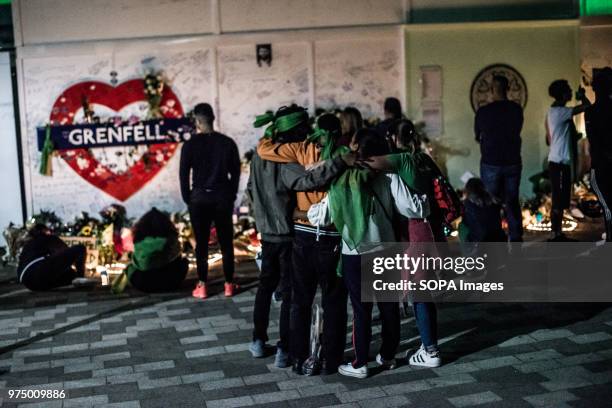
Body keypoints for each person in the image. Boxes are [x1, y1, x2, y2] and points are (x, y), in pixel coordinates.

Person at [248, 106, 354, 368]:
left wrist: (261, 217)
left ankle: (272, 346)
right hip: (298, 232)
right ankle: (307, 354)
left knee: (277, 291)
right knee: (310, 297)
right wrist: (341, 162)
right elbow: (308, 181)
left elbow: (251, 188)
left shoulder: (265, 153)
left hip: (277, 231)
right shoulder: (291, 157)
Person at [355, 120, 444, 368]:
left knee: (420, 293)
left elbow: (365, 162)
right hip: (430, 232)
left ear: (392, 137)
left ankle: (431, 351)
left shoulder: (400, 160)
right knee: (423, 290)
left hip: (414, 233)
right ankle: (429, 346)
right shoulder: (424, 159)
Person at [180, 103, 241, 299]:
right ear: (213, 118)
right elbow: (236, 173)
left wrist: (187, 198)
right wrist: (231, 194)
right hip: (222, 197)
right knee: (226, 242)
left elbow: (183, 175)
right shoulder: (227, 143)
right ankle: (229, 284)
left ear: (197, 122)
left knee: (202, 244)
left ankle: (202, 285)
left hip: (199, 199)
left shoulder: (189, 145)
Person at [474, 75, 524, 242]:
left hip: (490, 162)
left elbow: (477, 136)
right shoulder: (516, 110)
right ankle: (516, 238)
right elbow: (517, 130)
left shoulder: (483, 112)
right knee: (512, 201)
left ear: (491, 90)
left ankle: (494, 238)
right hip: (513, 161)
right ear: (508, 88)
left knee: (491, 202)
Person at [546, 80, 591, 241]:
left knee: (561, 199)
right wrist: (583, 96)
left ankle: (557, 234)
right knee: (558, 201)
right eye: (569, 90)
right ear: (563, 93)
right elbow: (587, 106)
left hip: (558, 161)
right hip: (559, 163)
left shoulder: (552, 111)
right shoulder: (561, 112)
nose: (571, 92)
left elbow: (548, 137)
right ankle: (555, 235)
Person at [114, 208, 188, 293]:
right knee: (184, 261)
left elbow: (139, 265)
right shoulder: (172, 240)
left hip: (144, 285)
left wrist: (130, 257)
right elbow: (177, 258)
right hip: (172, 282)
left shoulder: (139, 242)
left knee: (130, 267)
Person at [17, 224, 88, 291]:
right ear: (44, 231)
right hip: (38, 270)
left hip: (28, 283)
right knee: (80, 249)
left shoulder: (28, 245)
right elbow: (64, 251)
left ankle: (75, 278)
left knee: (70, 274)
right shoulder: (47, 238)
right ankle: (80, 279)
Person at [585, 68, 612, 242]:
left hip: (601, 165)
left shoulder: (592, 112)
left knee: (608, 207)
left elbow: (593, 140)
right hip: (603, 163)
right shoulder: (596, 111)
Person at [459, 178, 507, 243]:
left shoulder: (468, 204)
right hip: (499, 238)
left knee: (461, 226)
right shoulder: (493, 200)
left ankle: (468, 251)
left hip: (479, 241)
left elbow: (466, 222)